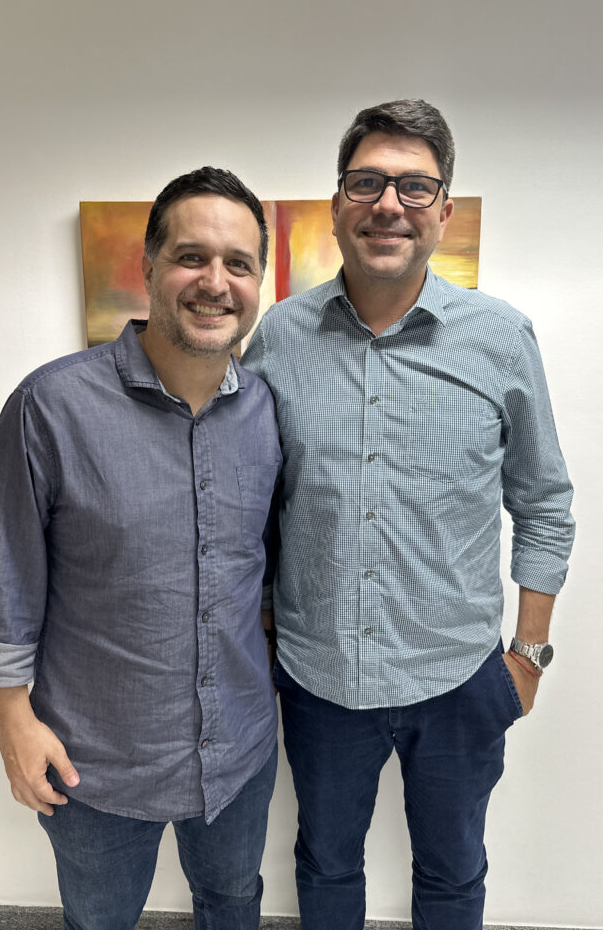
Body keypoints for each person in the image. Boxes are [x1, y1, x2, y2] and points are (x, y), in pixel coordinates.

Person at [242, 100, 575, 930]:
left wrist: (529, 655)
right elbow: (255, 502)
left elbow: (544, 501)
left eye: (414, 187)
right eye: (367, 183)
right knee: (325, 865)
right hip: (319, 676)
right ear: (337, 206)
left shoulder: (502, 339)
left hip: (459, 677)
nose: (388, 204)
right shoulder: (279, 337)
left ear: (444, 211)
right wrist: (268, 632)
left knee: (454, 876)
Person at [0, 167, 282, 930]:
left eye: (238, 263)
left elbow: (264, 569)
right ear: (150, 266)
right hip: (93, 760)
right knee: (99, 921)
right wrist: (13, 724)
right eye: (192, 257)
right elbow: (0, 578)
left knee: (234, 903)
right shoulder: (51, 406)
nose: (216, 282)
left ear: (258, 282)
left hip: (239, 750)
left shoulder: (266, 411)